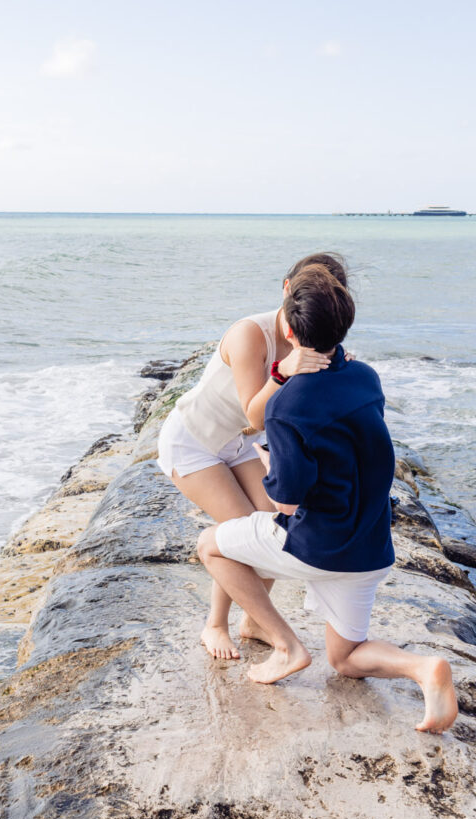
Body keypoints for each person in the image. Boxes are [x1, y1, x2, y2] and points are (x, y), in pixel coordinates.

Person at [195, 265, 460, 734]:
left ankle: (286, 646)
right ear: (345, 324)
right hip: (371, 547)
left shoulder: (286, 402)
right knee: (346, 659)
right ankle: (423, 669)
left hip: (320, 545)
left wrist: (272, 466)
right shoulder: (366, 377)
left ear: (291, 331)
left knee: (210, 545)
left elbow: (288, 503)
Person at [157, 253, 348, 661]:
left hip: (238, 443)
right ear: (287, 289)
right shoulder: (250, 334)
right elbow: (255, 413)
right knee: (241, 530)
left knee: (274, 527)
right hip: (193, 441)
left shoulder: (315, 330)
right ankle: (214, 625)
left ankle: (255, 622)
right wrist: (285, 369)